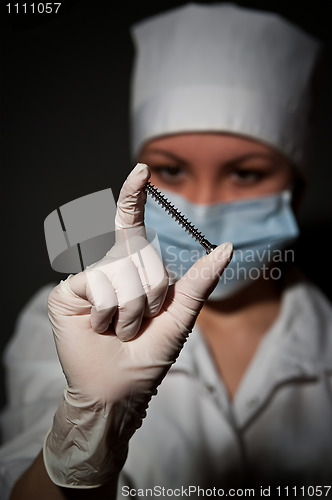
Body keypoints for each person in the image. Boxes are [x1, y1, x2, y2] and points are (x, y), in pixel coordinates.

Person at [1, 3, 331, 499]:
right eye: (171, 171)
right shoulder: (70, 319)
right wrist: (84, 442)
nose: (203, 204)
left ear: (297, 191)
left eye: (246, 173)